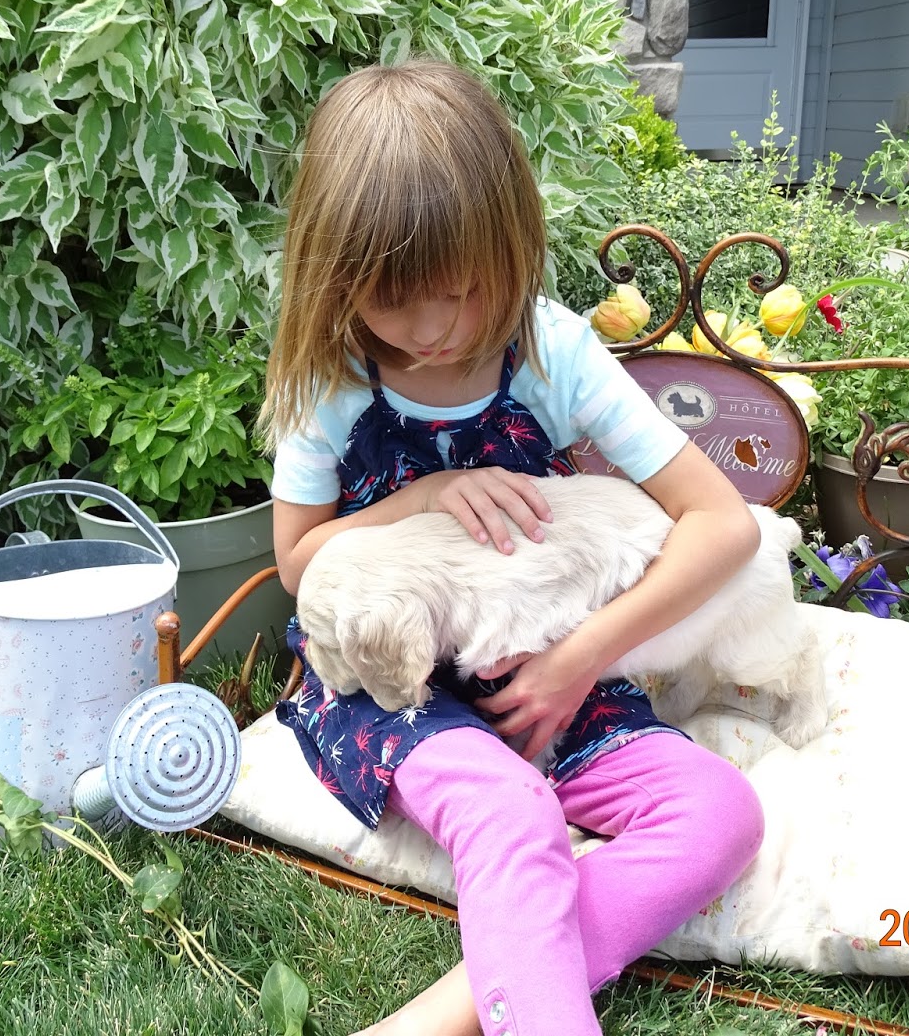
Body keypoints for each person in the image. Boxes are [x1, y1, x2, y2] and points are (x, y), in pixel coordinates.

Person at [258, 59, 766, 1036]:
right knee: (510, 814)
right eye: (398, 304)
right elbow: (297, 561)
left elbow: (724, 523)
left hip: (542, 667)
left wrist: (581, 658)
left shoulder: (552, 353)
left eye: (461, 292)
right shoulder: (331, 383)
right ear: (337, 279)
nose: (438, 330)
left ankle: (446, 1010)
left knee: (719, 815)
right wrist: (428, 494)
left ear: (511, 240)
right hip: (386, 682)